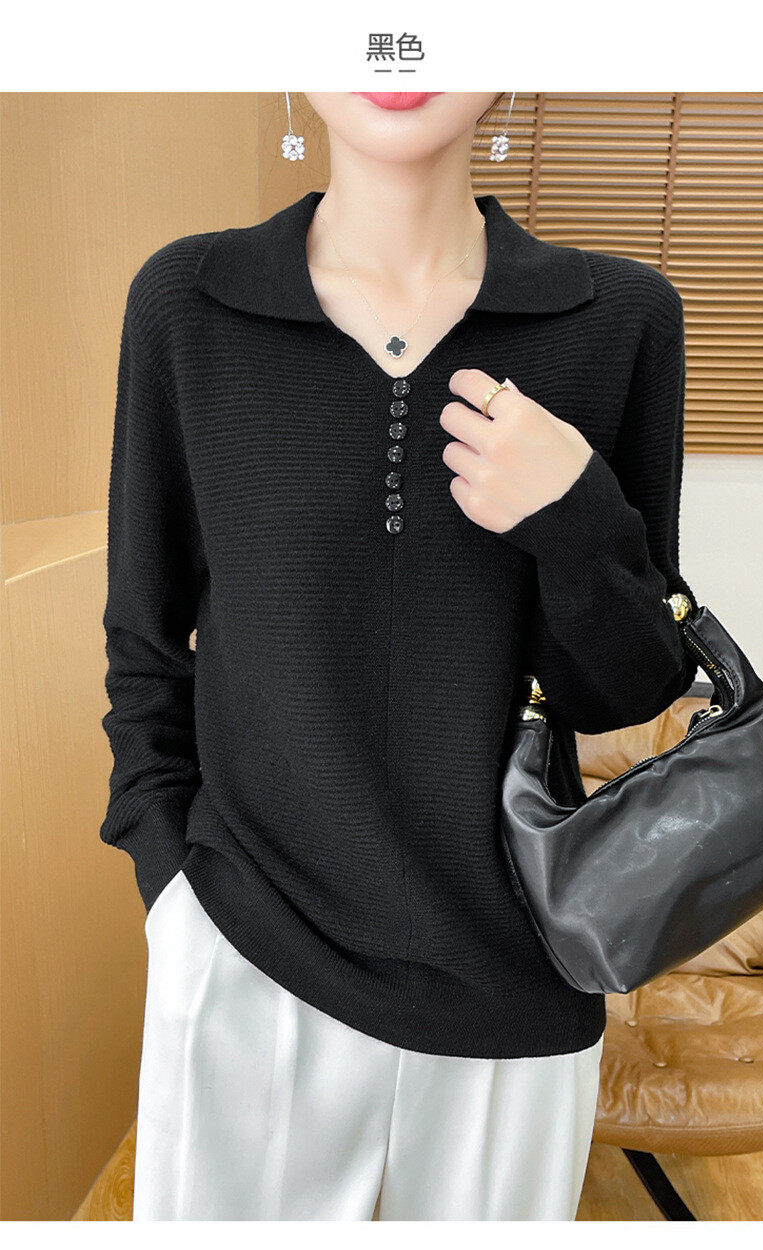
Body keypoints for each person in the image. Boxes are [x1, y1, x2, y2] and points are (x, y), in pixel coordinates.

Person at [99, 92, 698, 1221]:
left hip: (519, 981)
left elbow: (626, 689)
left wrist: (574, 515)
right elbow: (144, 637)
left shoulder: (621, 316)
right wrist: (171, 886)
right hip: (244, 951)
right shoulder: (188, 302)